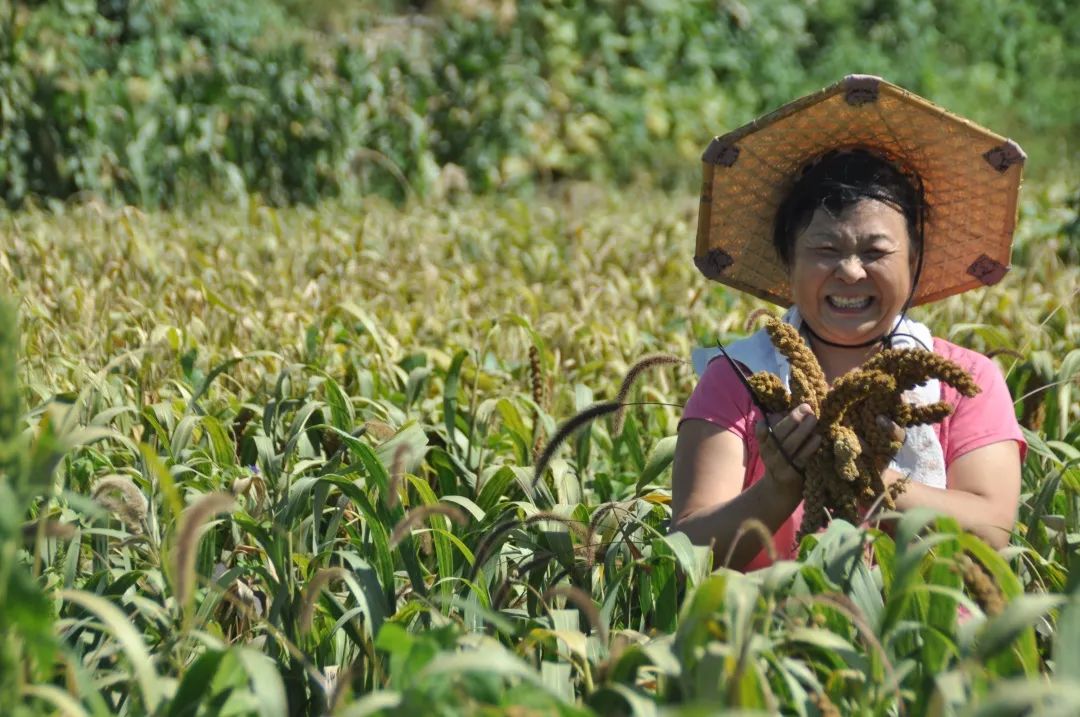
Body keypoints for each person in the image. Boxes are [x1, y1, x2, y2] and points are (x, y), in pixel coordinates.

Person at [671, 76, 1028, 571]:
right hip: (764, 639)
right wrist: (777, 489)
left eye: (876, 252)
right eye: (825, 250)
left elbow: (990, 530)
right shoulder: (738, 378)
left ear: (915, 259)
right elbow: (684, 551)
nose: (850, 271)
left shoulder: (965, 381)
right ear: (787, 259)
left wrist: (871, 484)